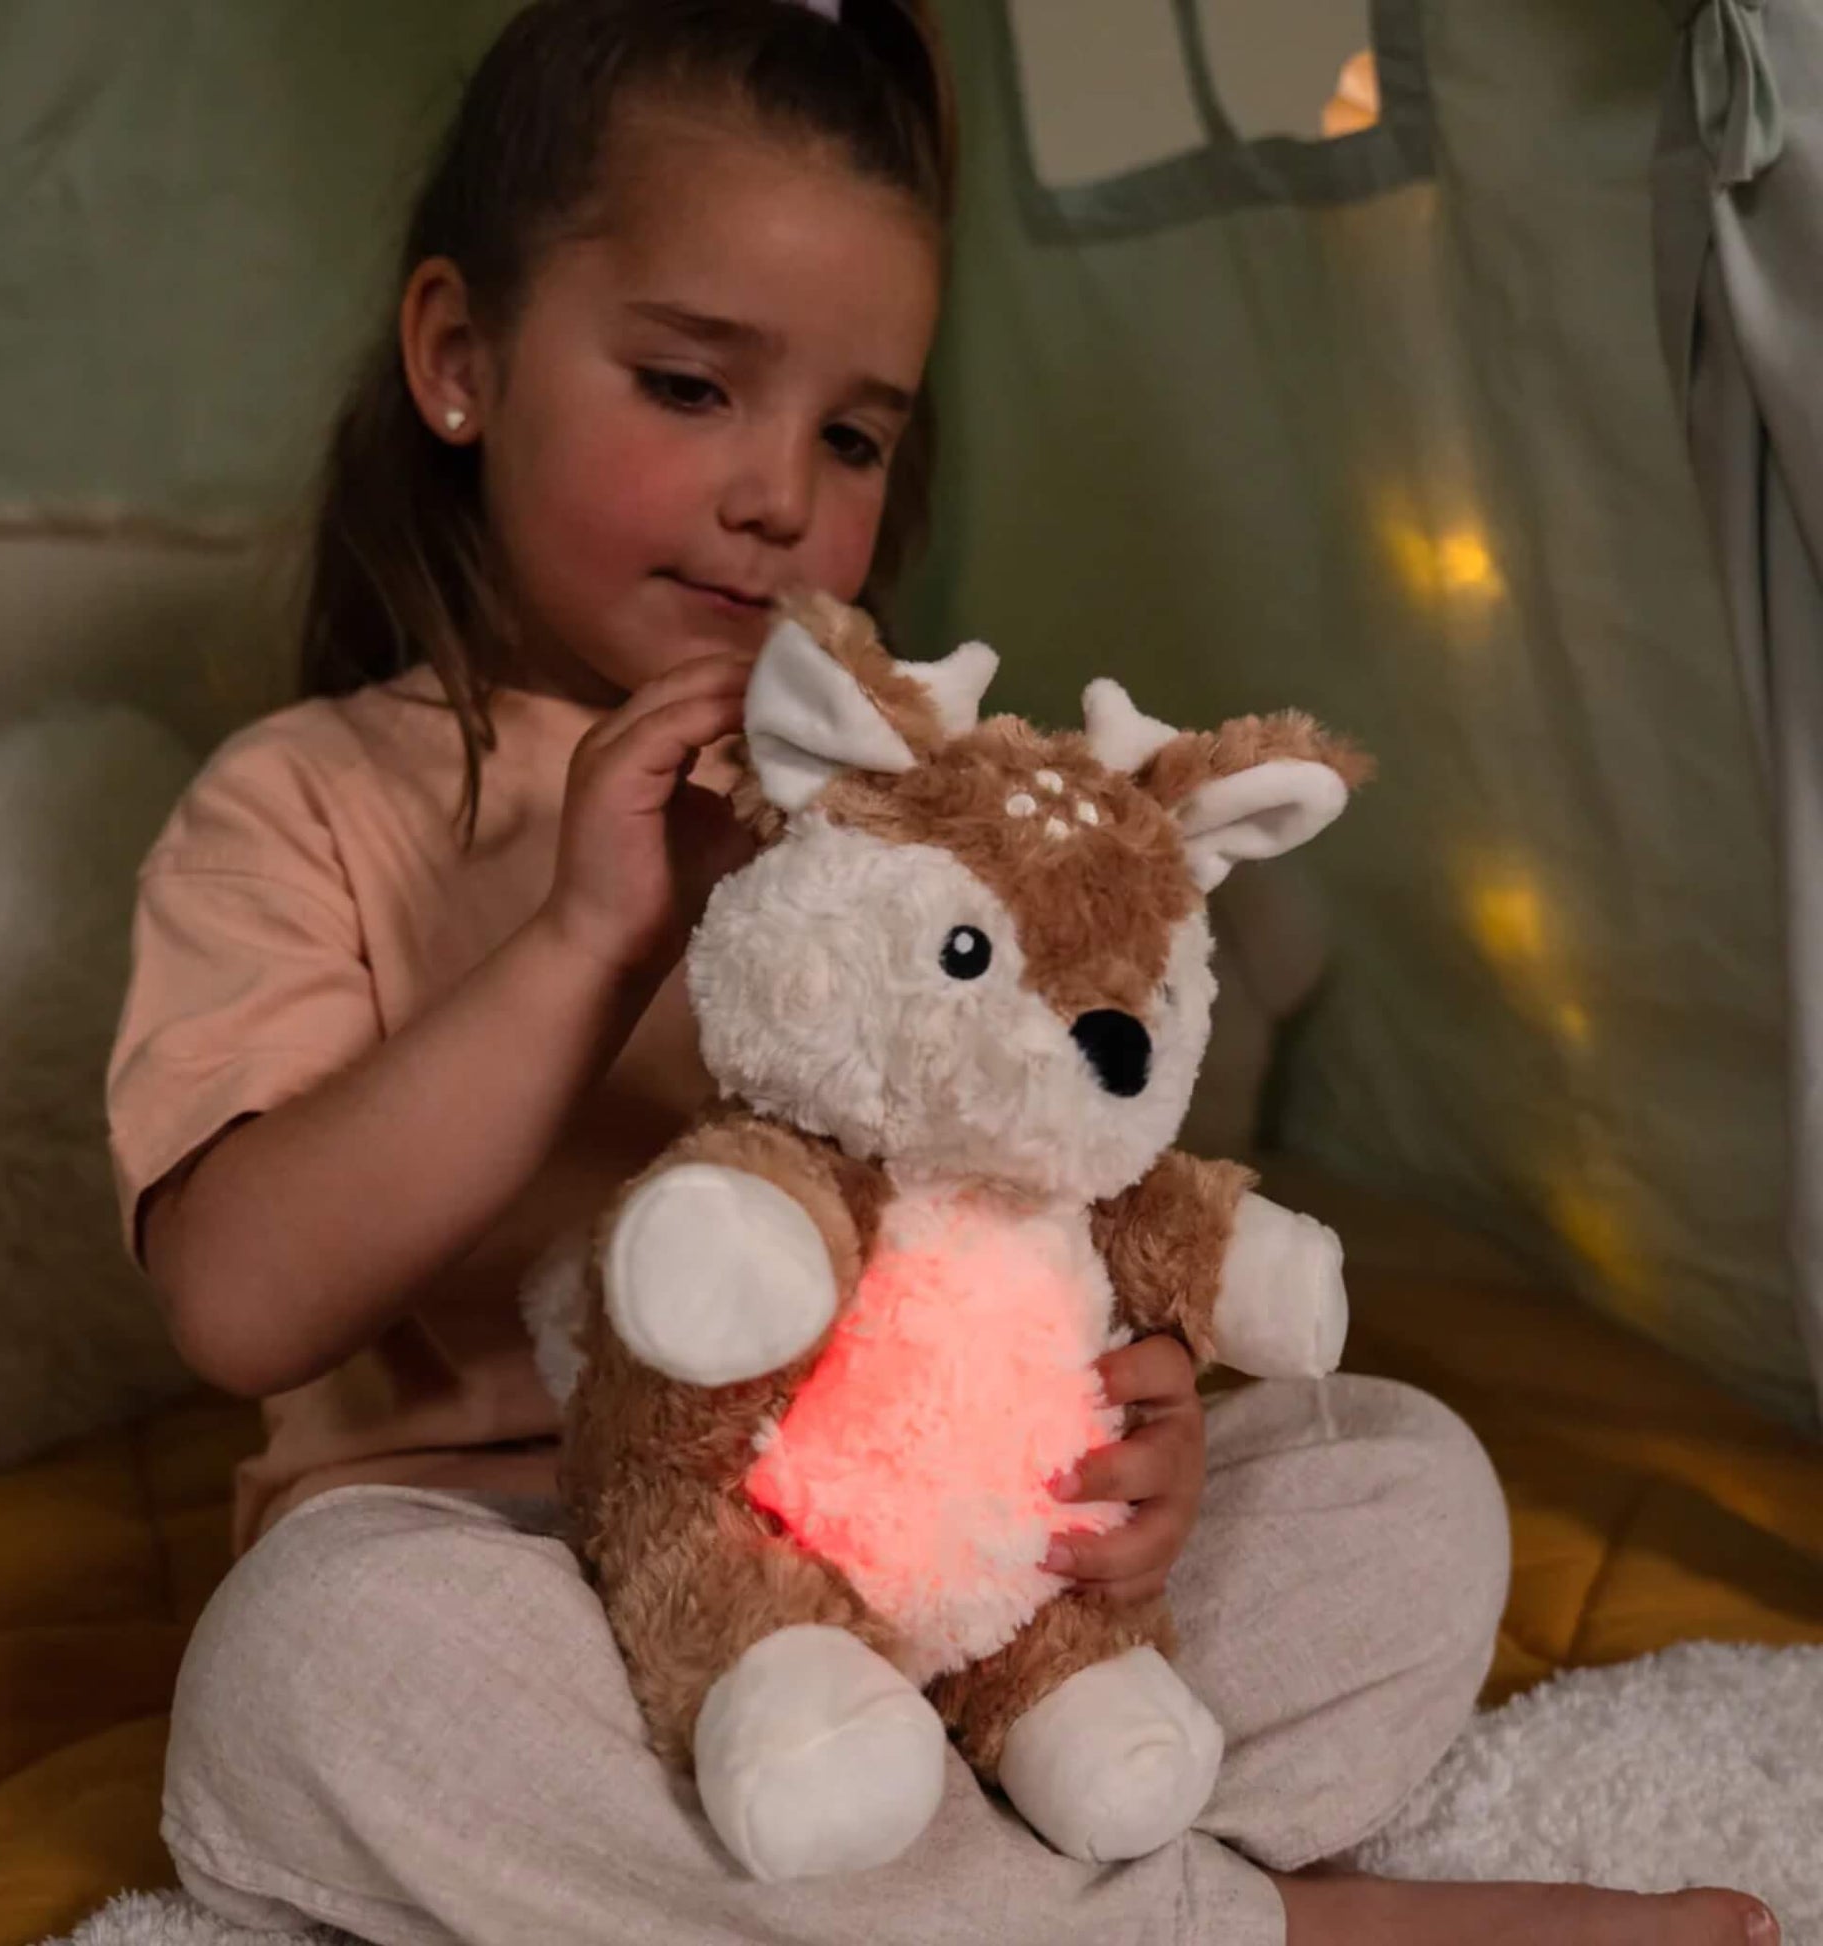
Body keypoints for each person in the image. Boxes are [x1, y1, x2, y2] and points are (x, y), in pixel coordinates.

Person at [106, 3, 1777, 1941]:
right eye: (685, 384)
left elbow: (1038, 1181)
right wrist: (586, 935)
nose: (776, 494)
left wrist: (1123, 1420)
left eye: (852, 434)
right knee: (313, 1672)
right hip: (535, 1568)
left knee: (1403, 1480)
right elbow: (236, 1305)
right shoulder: (304, 799)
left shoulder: (901, 802)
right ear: (460, 359)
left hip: (917, 1559)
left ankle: (970, 1864)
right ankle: (1223, 1921)